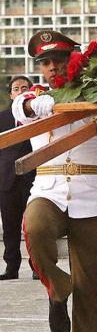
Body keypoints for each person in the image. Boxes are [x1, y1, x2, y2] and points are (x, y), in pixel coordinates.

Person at [14, 30, 97, 332]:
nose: (53, 68)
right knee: (34, 227)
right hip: (48, 189)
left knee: (90, 288)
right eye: (45, 63)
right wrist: (40, 105)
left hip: (90, 195)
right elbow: (23, 108)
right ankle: (58, 289)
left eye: (59, 60)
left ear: (72, 61)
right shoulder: (32, 97)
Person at [0, 76, 37, 280]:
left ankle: (36, 267)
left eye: (24, 87)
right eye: (16, 89)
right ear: (10, 94)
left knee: (33, 227)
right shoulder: (2, 118)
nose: (20, 91)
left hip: (33, 180)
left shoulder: (38, 117)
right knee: (10, 227)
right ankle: (11, 267)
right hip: (7, 181)